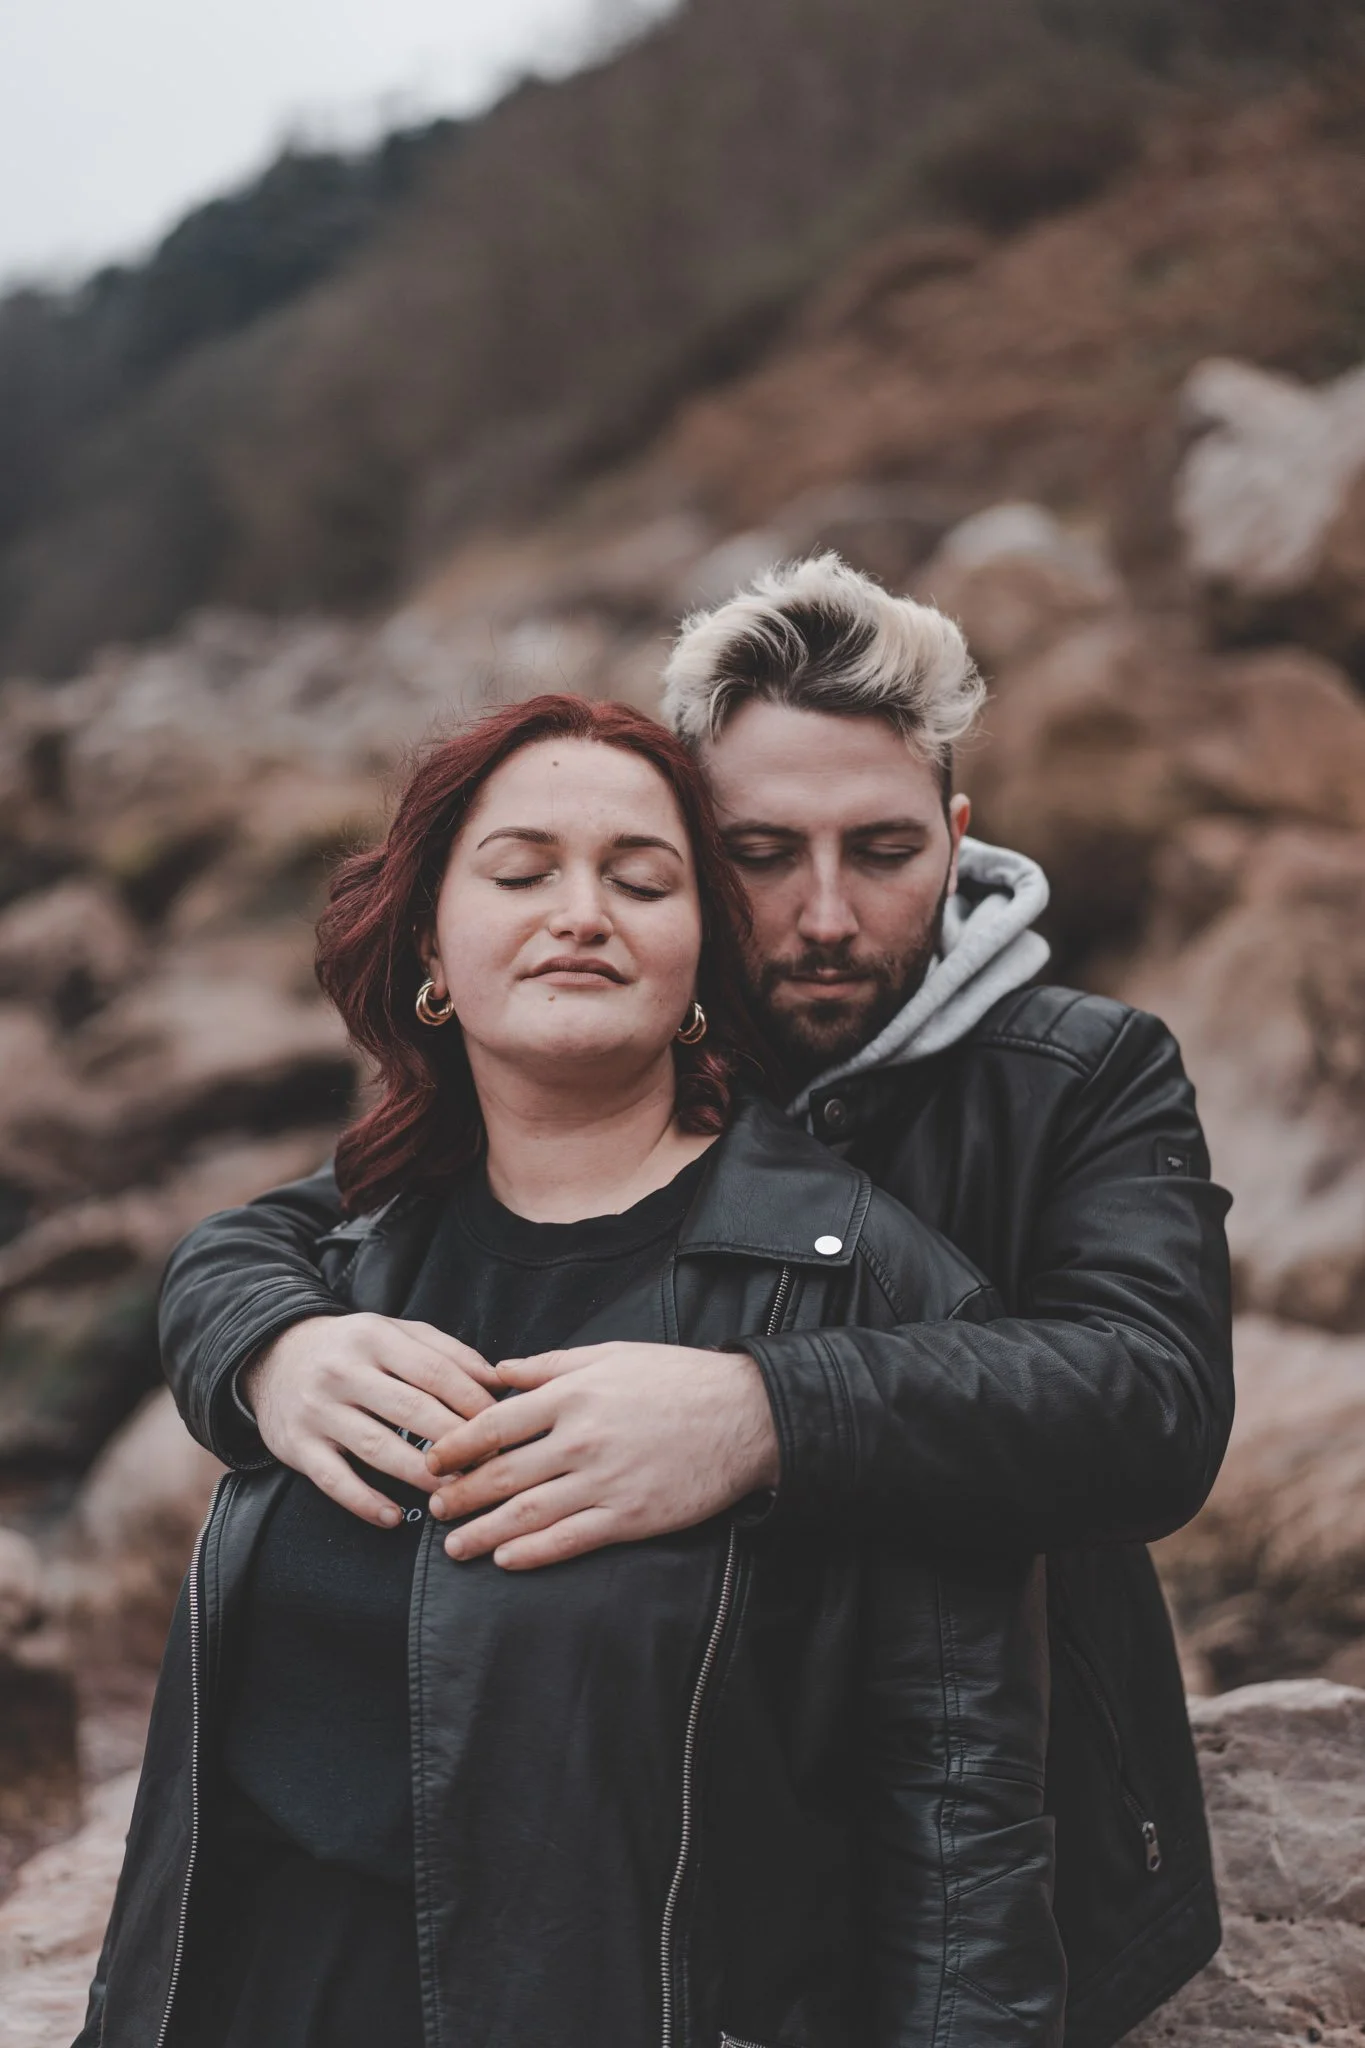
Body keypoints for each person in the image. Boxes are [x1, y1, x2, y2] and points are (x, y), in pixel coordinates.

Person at [155, 558, 1234, 2047]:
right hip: (631, 1848)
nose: (826, 916)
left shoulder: (1084, 1071)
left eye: (884, 851)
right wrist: (265, 1344)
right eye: (761, 854)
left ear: (960, 838)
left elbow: (1153, 1402)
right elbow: (300, 1226)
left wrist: (757, 1408)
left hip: (995, 1811)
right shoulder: (605, 1040)